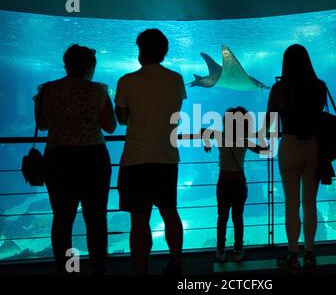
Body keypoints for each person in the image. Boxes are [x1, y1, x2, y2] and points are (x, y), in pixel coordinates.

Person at [34, 44, 117, 274]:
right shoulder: (98, 90)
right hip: (93, 160)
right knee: (96, 217)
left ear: (66, 64)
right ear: (90, 66)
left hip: (58, 159)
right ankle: (98, 267)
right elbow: (110, 126)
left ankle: (67, 269)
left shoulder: (47, 90)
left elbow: (42, 124)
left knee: (62, 218)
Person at [115, 29, 186, 275]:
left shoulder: (126, 81)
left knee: (139, 220)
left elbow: (122, 120)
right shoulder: (176, 80)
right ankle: (177, 263)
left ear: (139, 51)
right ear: (164, 52)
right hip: (166, 158)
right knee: (170, 213)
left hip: (135, 160)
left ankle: (140, 270)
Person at [266, 44, 327, 273]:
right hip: (313, 146)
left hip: (289, 145)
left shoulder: (279, 89)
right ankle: (310, 254)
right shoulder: (319, 87)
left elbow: (270, 126)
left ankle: (293, 256)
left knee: (291, 205)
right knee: (310, 204)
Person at [179, 107, 269, 263]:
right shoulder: (245, 140)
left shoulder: (221, 136)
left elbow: (202, 131)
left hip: (223, 181)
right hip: (239, 182)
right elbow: (263, 150)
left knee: (222, 217)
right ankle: (238, 249)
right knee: (238, 218)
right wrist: (265, 136)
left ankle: (220, 250)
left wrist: (207, 143)